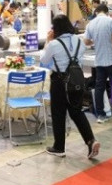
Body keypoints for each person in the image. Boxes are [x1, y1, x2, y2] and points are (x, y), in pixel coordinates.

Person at [40, 15, 99, 159]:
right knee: (77, 112)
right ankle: (91, 141)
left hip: (59, 82)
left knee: (58, 113)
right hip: (77, 81)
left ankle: (59, 147)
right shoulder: (78, 41)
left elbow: (43, 61)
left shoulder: (54, 44)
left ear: (56, 28)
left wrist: (48, 41)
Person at [83, 4, 112, 126]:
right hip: (111, 60)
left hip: (99, 61)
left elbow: (86, 41)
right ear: (106, 12)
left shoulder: (90, 24)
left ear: (96, 12)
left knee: (99, 87)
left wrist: (96, 41)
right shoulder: (111, 21)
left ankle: (101, 115)